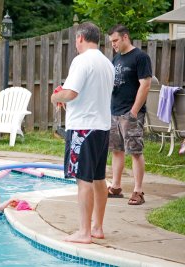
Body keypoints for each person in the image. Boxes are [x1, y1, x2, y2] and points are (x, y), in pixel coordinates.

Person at [51, 22, 115, 244]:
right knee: (99, 179)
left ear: (80, 38)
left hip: (82, 128)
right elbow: (89, 95)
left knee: (83, 180)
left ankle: (84, 232)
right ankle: (97, 227)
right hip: (101, 128)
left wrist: (55, 96)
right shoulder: (107, 63)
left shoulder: (81, 61)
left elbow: (70, 93)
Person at [107, 25, 152, 205]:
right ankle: (116, 187)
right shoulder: (116, 59)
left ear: (125, 37)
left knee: (135, 151)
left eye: (115, 41)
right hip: (114, 111)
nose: (113, 45)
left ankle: (138, 191)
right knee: (117, 150)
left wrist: (134, 111)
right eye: (111, 42)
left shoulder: (141, 57)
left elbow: (146, 84)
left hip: (131, 113)